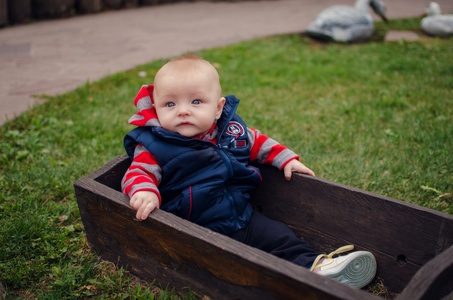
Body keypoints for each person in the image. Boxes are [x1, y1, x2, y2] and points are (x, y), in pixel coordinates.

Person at [121, 54, 377, 288]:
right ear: (155, 108)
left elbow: (259, 143)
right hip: (194, 230)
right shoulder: (155, 145)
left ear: (218, 108)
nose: (183, 110)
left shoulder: (230, 132)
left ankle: (317, 267)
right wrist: (145, 191)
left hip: (243, 217)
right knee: (231, 268)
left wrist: (285, 159)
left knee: (281, 237)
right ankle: (281, 283)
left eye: (196, 101)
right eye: (170, 104)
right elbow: (138, 173)